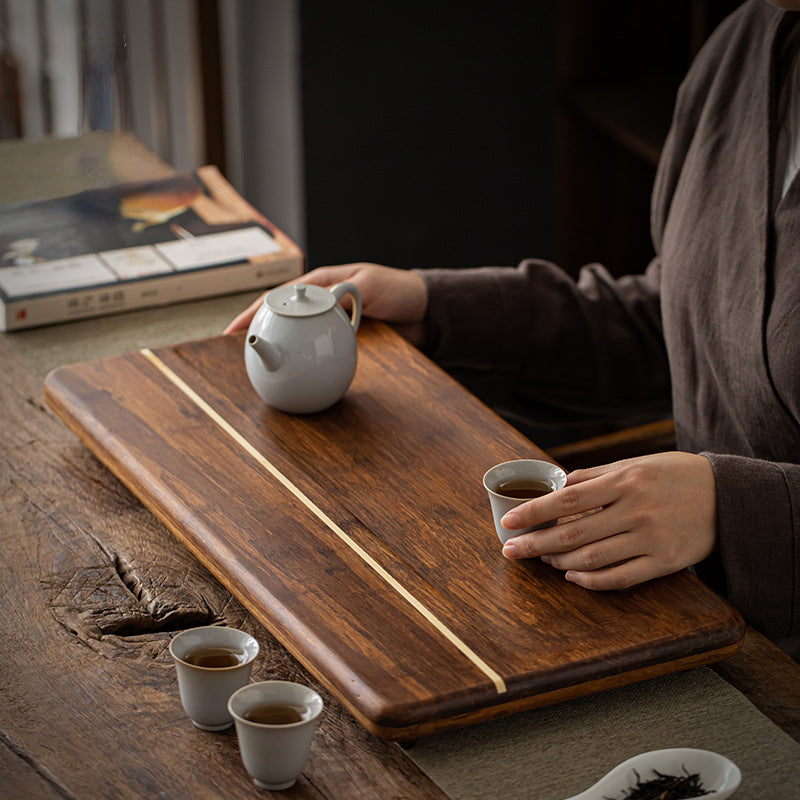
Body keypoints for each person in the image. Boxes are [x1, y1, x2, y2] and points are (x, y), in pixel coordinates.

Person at [226, 0, 800, 654]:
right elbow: (680, 321)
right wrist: (433, 308)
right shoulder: (748, 49)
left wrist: (737, 512)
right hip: (696, 618)